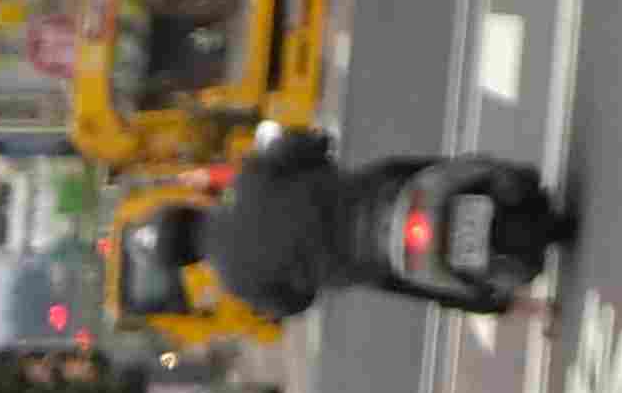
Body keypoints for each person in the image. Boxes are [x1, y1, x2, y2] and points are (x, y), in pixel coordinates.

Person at [206, 123, 566, 321]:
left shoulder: (235, 280)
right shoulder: (246, 179)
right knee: (429, 170)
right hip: (371, 192)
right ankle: (499, 175)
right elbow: (302, 147)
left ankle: (529, 309)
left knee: (430, 291)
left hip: (367, 261)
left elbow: (293, 305)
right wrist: (316, 144)